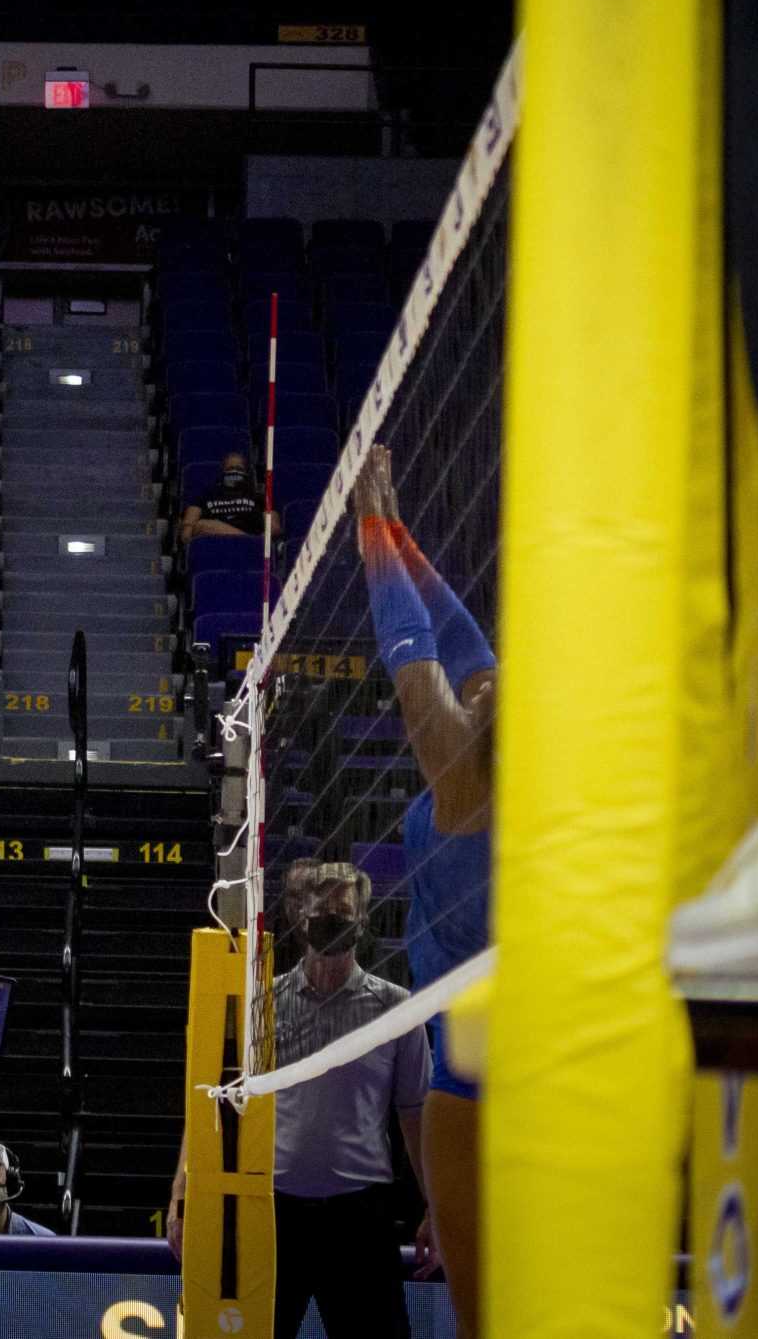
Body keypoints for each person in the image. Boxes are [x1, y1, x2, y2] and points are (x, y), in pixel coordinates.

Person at [170, 863, 431, 1339]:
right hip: (271, 1215)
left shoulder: (399, 1010)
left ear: (364, 919)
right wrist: (182, 1196)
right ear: (299, 915)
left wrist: (435, 1207)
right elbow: (211, 1102)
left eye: (343, 908)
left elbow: (415, 1119)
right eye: (322, 907)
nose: (332, 916)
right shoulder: (260, 1006)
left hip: (360, 1219)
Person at [356, 445, 492, 1336]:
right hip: (500, 1060)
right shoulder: (491, 750)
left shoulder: (466, 778)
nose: (489, 670)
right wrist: (398, 525)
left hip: (482, 1079)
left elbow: (415, 657)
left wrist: (371, 533)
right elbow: (458, 635)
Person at [183, 450, 277, 545]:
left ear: (246, 472)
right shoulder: (208, 494)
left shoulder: (257, 495)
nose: (234, 471)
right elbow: (189, 526)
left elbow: (274, 527)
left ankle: (249, 542)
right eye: (230, 468)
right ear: (223, 472)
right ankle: (249, 541)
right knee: (202, 525)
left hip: (250, 548)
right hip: (215, 543)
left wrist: (262, 541)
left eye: (239, 469)